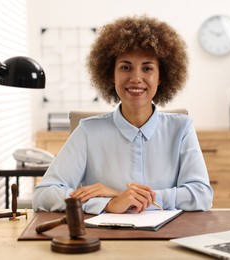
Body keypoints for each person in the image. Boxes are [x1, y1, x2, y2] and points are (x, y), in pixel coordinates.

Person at [33, 15, 213, 215]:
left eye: (147, 68)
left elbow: (201, 195)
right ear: (112, 75)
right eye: (126, 67)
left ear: (161, 76)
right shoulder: (88, 131)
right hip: (106, 242)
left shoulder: (181, 128)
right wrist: (107, 204)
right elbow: (44, 194)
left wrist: (124, 196)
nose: (136, 78)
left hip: (166, 241)